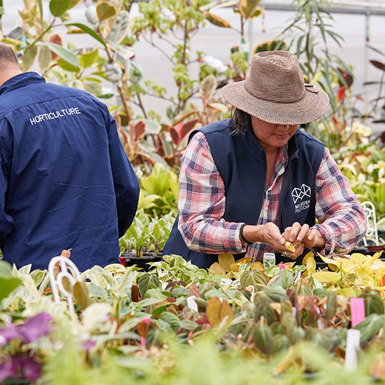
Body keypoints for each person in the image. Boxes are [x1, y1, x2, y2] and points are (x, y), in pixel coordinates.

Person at [164, 50, 367, 268]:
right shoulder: (209, 146)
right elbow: (194, 228)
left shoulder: (312, 154)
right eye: (274, 117)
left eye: (292, 117)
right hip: (200, 279)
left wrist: (316, 236)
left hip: (276, 285)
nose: (285, 126)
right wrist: (253, 233)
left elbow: (354, 216)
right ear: (249, 110)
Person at [0, 43, 140, 271]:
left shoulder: (3, 118)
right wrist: (100, 242)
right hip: (100, 272)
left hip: (37, 277)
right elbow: (127, 189)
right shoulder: (90, 105)